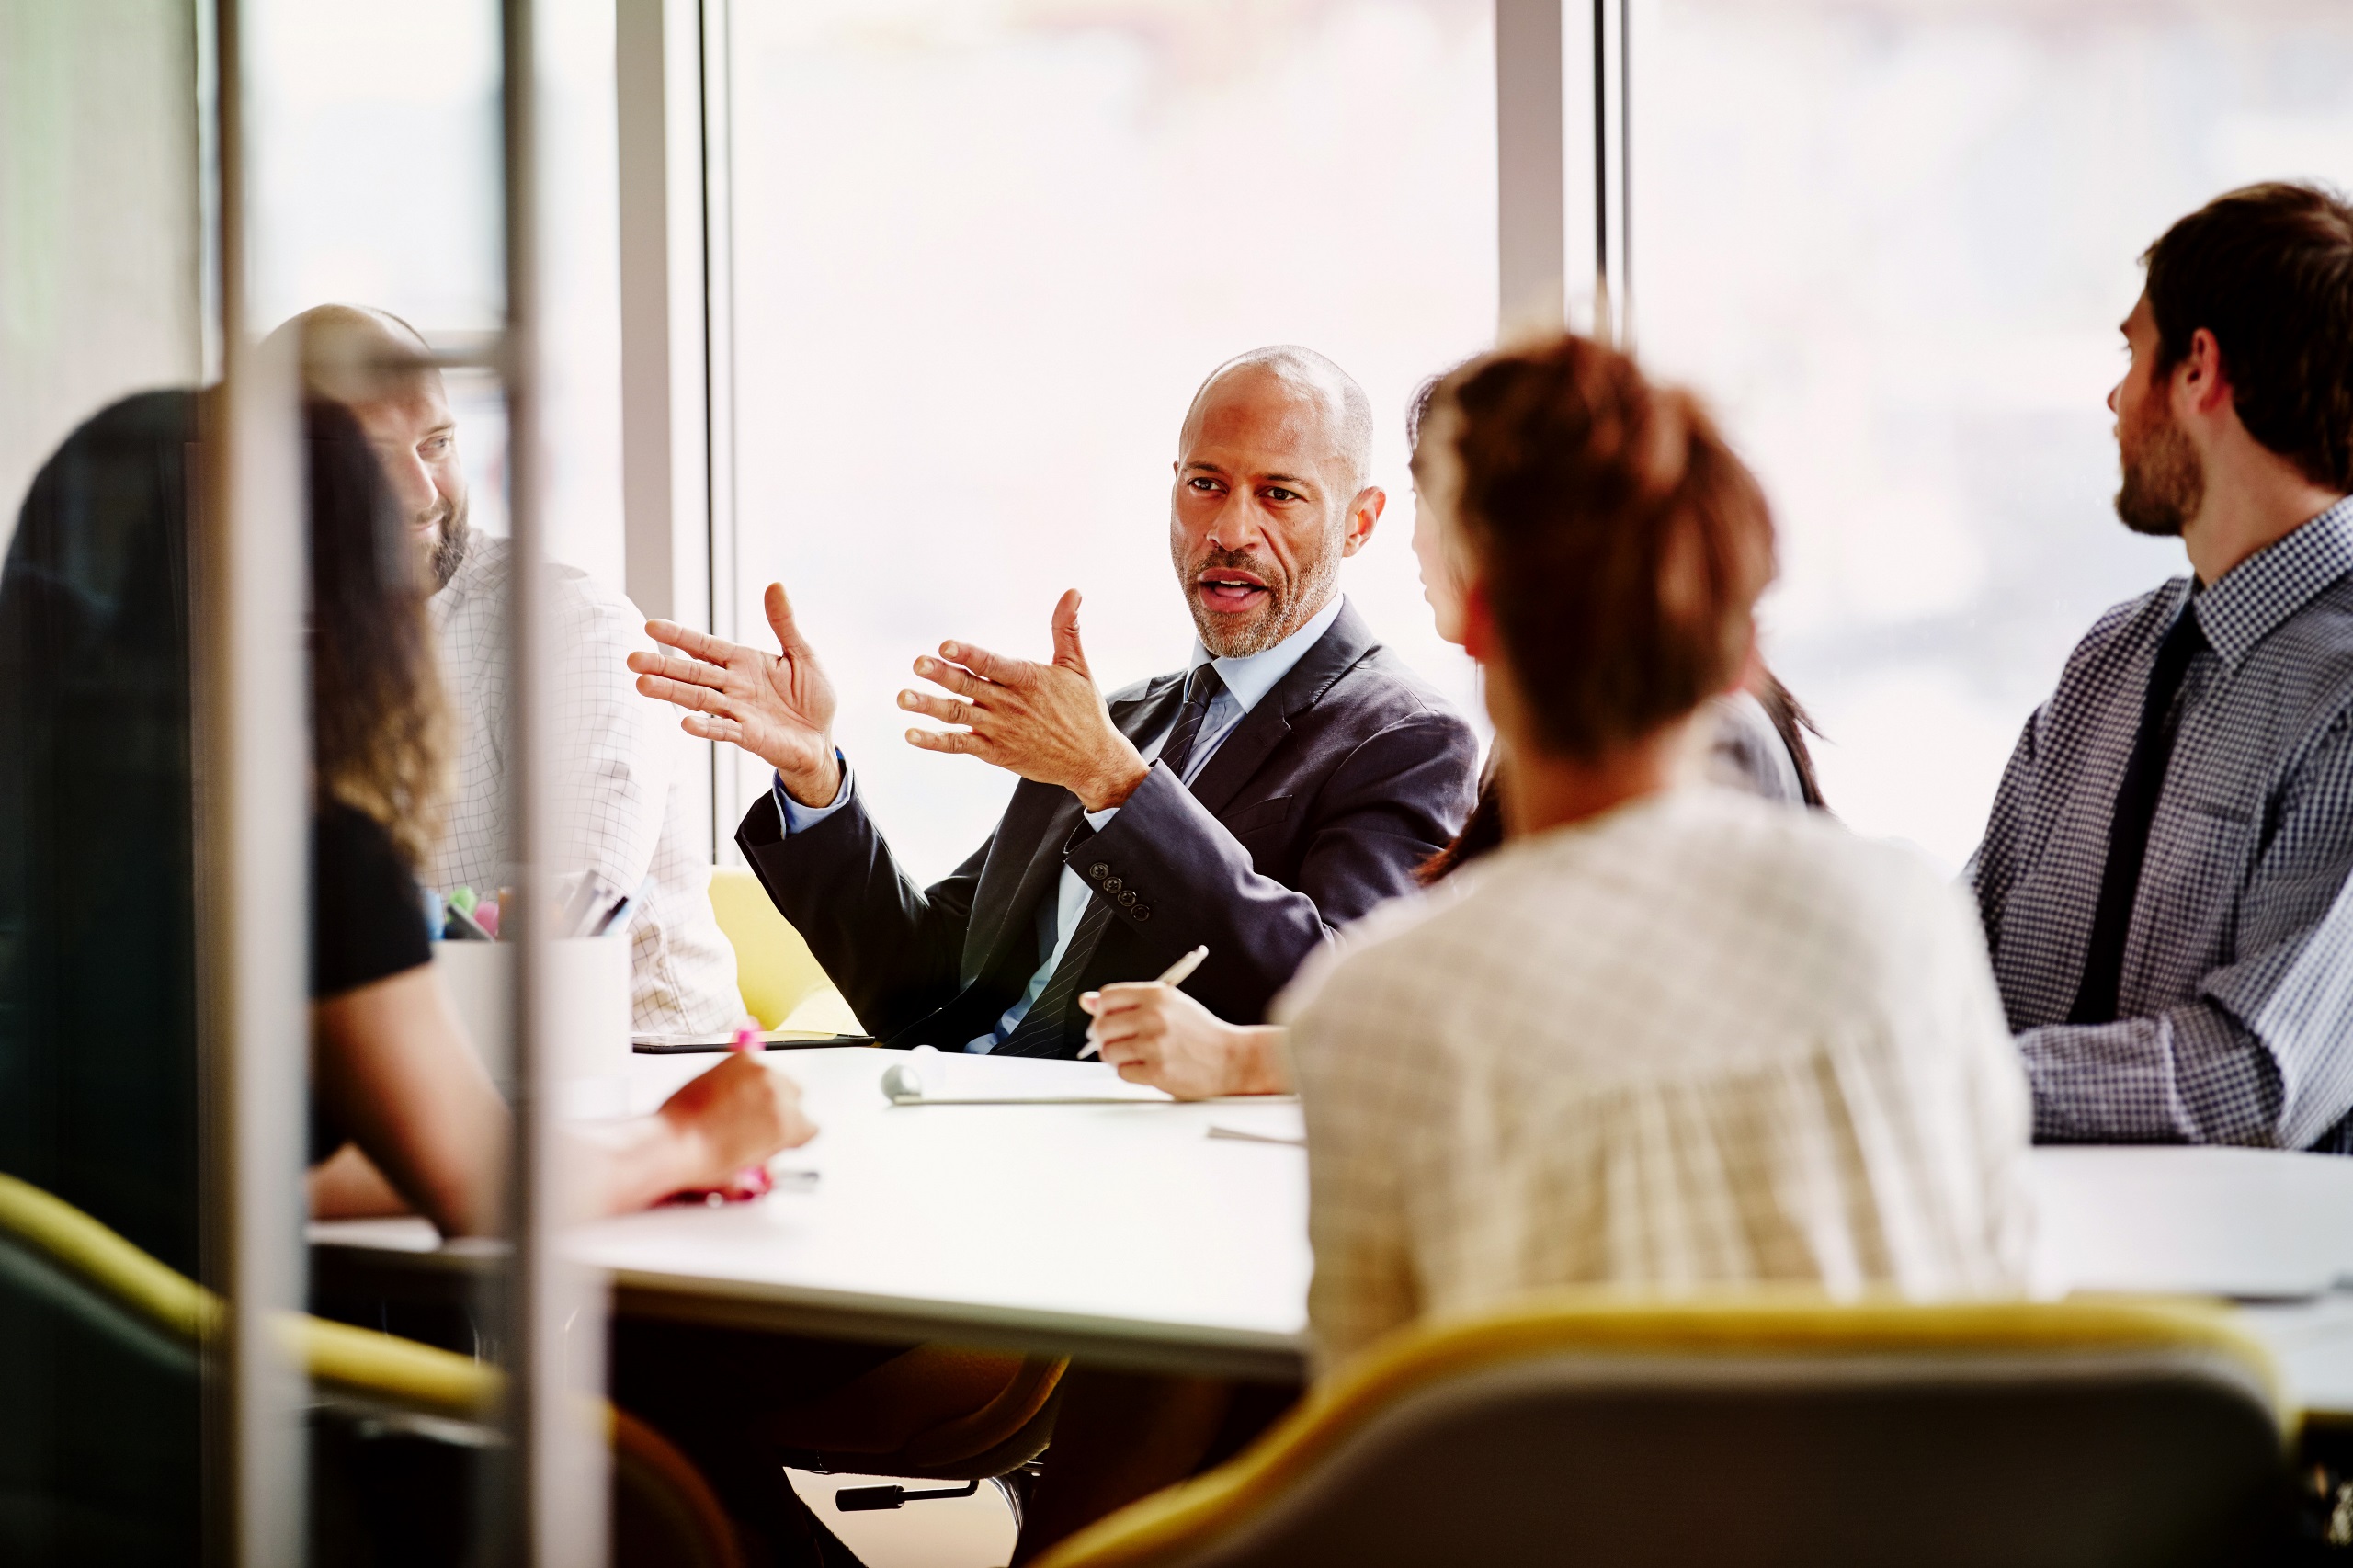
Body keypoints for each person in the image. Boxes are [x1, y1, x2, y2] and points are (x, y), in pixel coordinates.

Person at [1283, 334, 2034, 1374]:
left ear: (1480, 620)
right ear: (1737, 642)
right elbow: (2011, 1315)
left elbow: (1377, 1446)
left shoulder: (1375, 1012)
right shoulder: (1911, 915)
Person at [631, 346, 1482, 1064]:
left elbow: (1335, 1005)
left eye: (1280, 494)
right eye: (1205, 483)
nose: (1229, 529)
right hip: (958, 1119)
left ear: (1360, 523)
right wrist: (817, 778)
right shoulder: (1114, 720)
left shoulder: (1406, 738)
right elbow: (920, 987)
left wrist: (1114, 782)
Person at [1079, 369, 1828, 1099]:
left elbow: (1591, 1037)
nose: (1412, 541)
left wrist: (1243, 1061)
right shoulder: (1561, 735)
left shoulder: (1698, 737)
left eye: (1428, 500)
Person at [1969, 182, 2353, 1153]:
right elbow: (1965, 945)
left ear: (2197, 370)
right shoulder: (2110, 657)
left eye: (2129, 351)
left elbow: (2253, 1073)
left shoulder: (2345, 699)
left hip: (2245, 1292)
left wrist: (1942, 1089)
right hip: (2028, 1261)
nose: (2111, 398)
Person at [278, 304, 747, 1036]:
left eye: (437, 443)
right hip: (396, 1094)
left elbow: (563, 933)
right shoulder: (241, 639)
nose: (424, 493)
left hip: (642, 1076)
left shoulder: (568, 627)